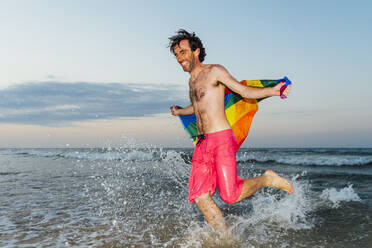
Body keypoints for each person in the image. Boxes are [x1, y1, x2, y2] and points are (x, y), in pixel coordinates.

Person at [169, 29, 294, 232]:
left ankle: (267, 179)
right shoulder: (191, 81)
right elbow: (198, 106)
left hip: (221, 140)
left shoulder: (214, 71)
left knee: (231, 196)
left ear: (196, 51)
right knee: (200, 196)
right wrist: (180, 111)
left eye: (182, 52)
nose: (179, 58)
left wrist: (273, 91)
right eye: (176, 54)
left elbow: (242, 90)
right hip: (202, 144)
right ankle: (225, 238)